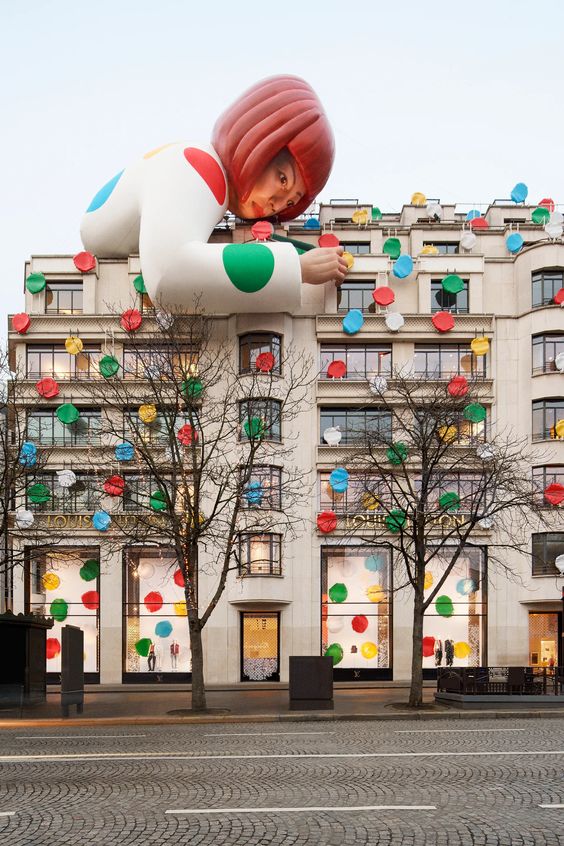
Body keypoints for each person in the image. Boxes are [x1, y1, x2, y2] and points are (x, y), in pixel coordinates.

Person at [80, 75, 348, 314]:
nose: (275, 204)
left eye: (290, 201)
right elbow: (168, 272)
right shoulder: (193, 168)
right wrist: (297, 268)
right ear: (259, 140)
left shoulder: (203, 178)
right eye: (282, 179)